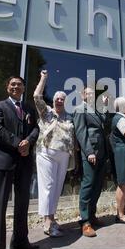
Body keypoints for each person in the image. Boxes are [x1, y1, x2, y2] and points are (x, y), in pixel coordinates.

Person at [0, 76, 39, 249]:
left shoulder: (29, 108)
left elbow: (36, 128)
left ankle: (21, 242)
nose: (16, 87)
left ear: (24, 88)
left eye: (19, 84)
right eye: (12, 84)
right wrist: (18, 143)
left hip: (24, 162)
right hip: (3, 161)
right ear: (7, 87)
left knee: (22, 204)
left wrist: (29, 142)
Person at [34, 70, 75, 237]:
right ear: (54, 100)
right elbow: (37, 96)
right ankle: (47, 222)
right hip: (46, 152)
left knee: (57, 188)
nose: (59, 100)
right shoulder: (47, 112)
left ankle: (52, 217)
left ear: (65, 102)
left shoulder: (68, 117)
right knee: (48, 187)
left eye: (62, 99)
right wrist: (43, 79)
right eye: (57, 98)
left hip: (64, 155)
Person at [73, 86, 109, 237]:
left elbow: (103, 123)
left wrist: (105, 106)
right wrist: (88, 152)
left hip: (102, 152)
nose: (92, 95)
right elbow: (81, 132)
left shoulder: (96, 109)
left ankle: (92, 215)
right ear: (83, 96)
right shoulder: (80, 109)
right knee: (88, 185)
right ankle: (85, 221)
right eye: (89, 93)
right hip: (91, 152)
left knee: (97, 185)